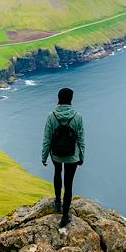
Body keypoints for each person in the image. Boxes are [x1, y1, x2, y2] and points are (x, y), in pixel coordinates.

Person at [42, 87, 85, 227]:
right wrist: (82, 156)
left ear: (58, 99)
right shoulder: (77, 116)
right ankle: (65, 216)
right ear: (71, 99)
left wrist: (44, 156)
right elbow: (81, 139)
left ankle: (57, 201)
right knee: (69, 183)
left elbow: (47, 138)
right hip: (72, 156)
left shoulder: (51, 116)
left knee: (57, 173)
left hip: (56, 154)